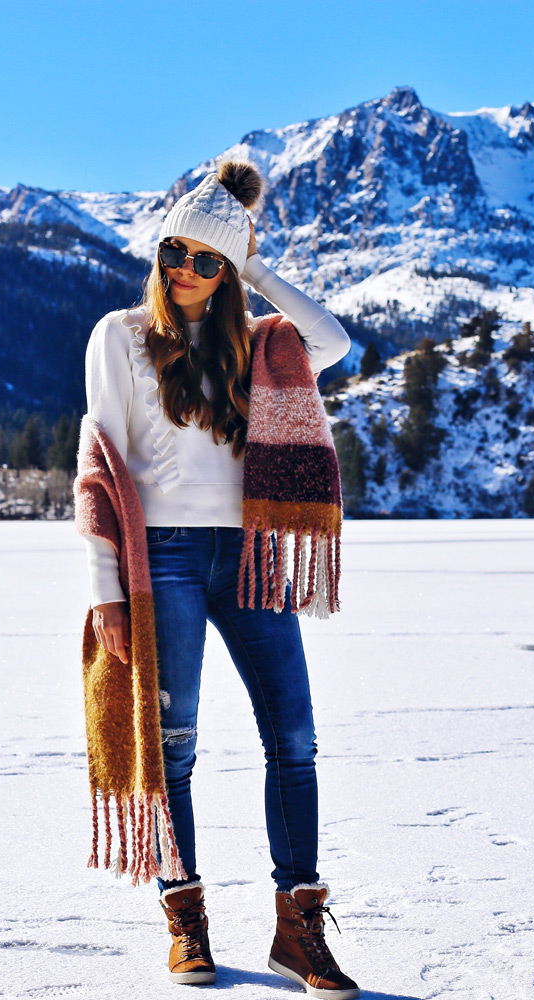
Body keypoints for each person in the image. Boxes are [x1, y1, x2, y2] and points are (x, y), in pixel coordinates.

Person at [81, 161, 359, 998]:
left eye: (209, 262)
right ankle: (185, 916)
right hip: (159, 557)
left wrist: (254, 266)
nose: (188, 273)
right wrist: (106, 593)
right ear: (157, 254)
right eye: (176, 253)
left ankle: (296, 926)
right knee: (176, 746)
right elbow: (100, 467)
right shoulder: (118, 336)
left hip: (248, 554)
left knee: (296, 738)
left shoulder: (262, 343)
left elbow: (337, 342)